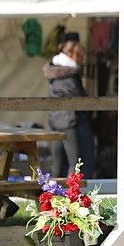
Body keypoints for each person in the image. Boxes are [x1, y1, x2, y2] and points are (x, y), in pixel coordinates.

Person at [44, 33, 97, 175]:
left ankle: (50, 193)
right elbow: (78, 98)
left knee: (57, 162)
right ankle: (72, 193)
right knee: (74, 162)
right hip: (69, 121)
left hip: (54, 120)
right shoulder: (68, 74)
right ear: (71, 54)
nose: (82, 59)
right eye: (80, 55)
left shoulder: (55, 71)